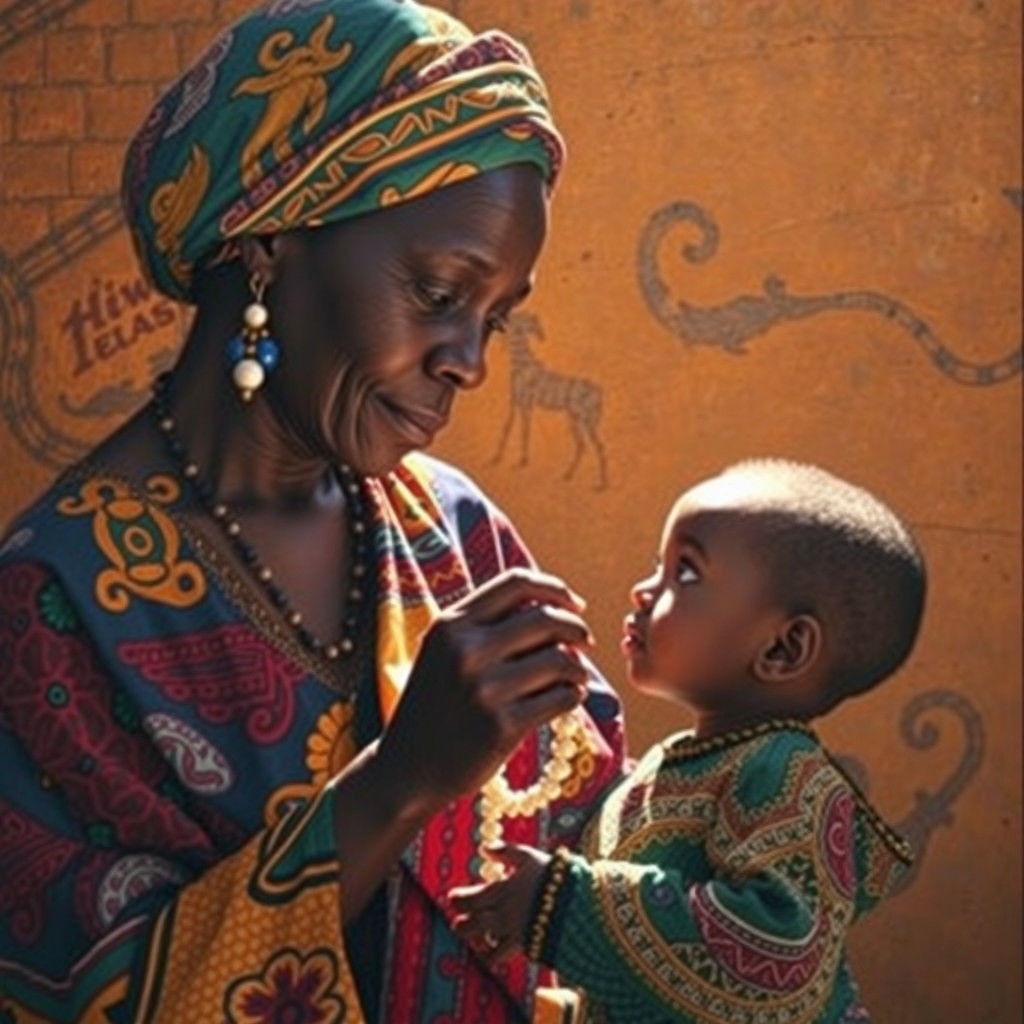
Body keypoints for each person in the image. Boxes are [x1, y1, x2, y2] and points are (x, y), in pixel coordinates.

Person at [0, 3, 626, 1022]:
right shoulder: (52, 602)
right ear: (272, 245)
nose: (466, 358)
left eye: (495, 318)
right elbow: (80, 991)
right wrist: (398, 781)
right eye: (437, 291)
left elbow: (608, 863)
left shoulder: (456, 535)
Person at [451, 459, 926, 1023]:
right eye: (659, 564)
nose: (644, 589)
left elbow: (777, 961)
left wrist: (561, 907)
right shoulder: (674, 764)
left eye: (687, 572)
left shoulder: (787, 775)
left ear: (783, 649)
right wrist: (532, 915)